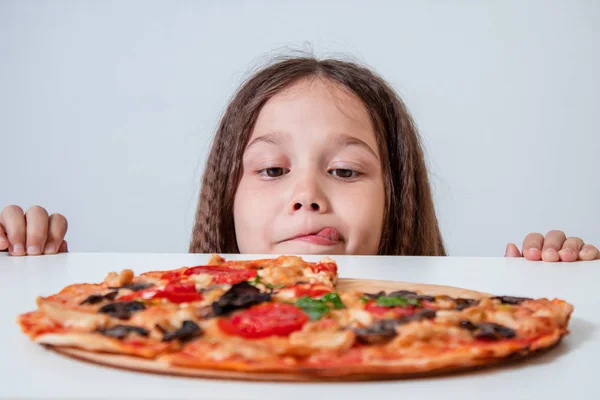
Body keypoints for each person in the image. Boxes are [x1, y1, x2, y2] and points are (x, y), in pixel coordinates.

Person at [1, 57, 598, 262]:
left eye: (343, 170)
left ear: (398, 195)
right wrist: (29, 270)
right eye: (270, 169)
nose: (307, 195)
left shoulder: (464, 335)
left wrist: (564, 279)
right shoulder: (151, 332)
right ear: (225, 196)